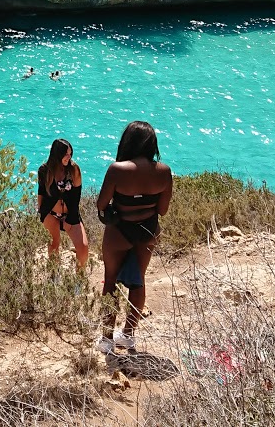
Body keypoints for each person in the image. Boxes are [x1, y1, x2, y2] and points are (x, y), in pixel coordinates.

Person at [94, 120, 173, 355]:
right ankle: (128, 335)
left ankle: (107, 339)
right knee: (138, 282)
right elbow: (163, 210)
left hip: (119, 232)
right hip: (147, 232)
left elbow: (101, 204)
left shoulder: (117, 169)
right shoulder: (164, 171)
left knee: (110, 283)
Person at [35, 139, 89, 274]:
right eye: (65, 154)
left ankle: (79, 279)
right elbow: (41, 193)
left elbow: (77, 196)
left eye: (70, 154)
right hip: (50, 213)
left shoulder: (74, 169)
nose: (68, 157)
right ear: (57, 154)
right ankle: (54, 276)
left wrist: (71, 218)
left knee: (83, 248)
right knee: (54, 245)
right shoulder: (44, 170)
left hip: (70, 213)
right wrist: (41, 213)